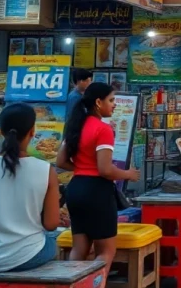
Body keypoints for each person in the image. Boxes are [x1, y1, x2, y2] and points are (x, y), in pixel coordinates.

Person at [0, 103, 61, 288]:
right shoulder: (46, 171)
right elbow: (51, 223)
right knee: (54, 239)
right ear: (33, 131)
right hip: (28, 256)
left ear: (1, 131)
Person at [56, 83, 140, 275]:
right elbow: (105, 170)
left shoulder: (76, 125)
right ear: (98, 102)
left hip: (75, 190)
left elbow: (60, 161)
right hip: (97, 193)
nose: (114, 105)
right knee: (106, 251)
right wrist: (128, 174)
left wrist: (84, 168)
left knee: (80, 249)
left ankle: (71, 284)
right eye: (111, 100)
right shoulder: (103, 130)